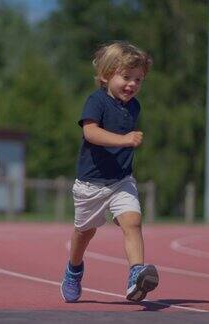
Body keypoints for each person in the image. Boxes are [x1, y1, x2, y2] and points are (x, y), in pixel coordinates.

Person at [60, 41, 159, 303]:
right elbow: (90, 133)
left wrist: (126, 146)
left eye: (138, 79)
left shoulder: (134, 106)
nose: (132, 84)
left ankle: (136, 274)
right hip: (91, 183)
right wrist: (124, 140)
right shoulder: (97, 101)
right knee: (84, 233)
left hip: (121, 180)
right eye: (126, 77)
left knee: (132, 221)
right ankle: (73, 270)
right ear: (105, 75)